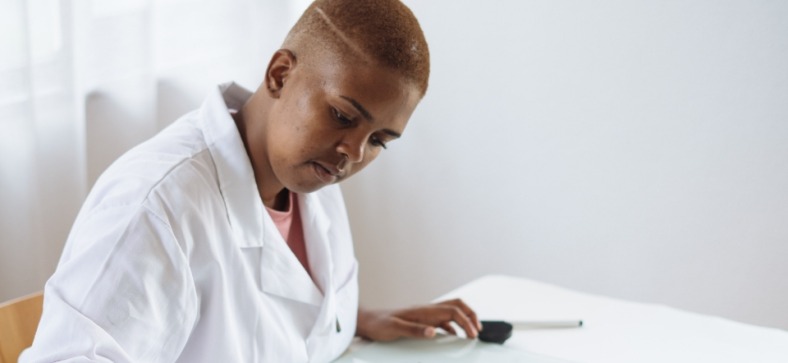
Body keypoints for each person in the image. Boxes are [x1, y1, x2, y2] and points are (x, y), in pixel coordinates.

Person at [21, 0, 481, 362]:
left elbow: (261, 320)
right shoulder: (156, 208)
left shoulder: (310, 175)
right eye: (342, 116)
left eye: (380, 139)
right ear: (280, 74)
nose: (354, 154)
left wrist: (347, 321)